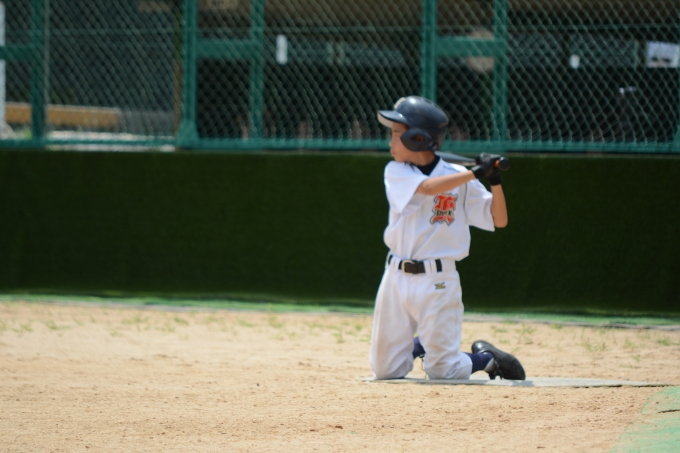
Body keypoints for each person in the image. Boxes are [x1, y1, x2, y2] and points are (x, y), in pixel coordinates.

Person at [370, 96, 525, 381]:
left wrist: (494, 180)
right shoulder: (396, 171)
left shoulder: (458, 177)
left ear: (418, 138)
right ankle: (421, 344)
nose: (390, 141)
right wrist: (475, 173)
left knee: (443, 371)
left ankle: (487, 359)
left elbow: (498, 219)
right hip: (395, 278)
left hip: (438, 281)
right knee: (385, 370)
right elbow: (429, 188)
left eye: (396, 134)